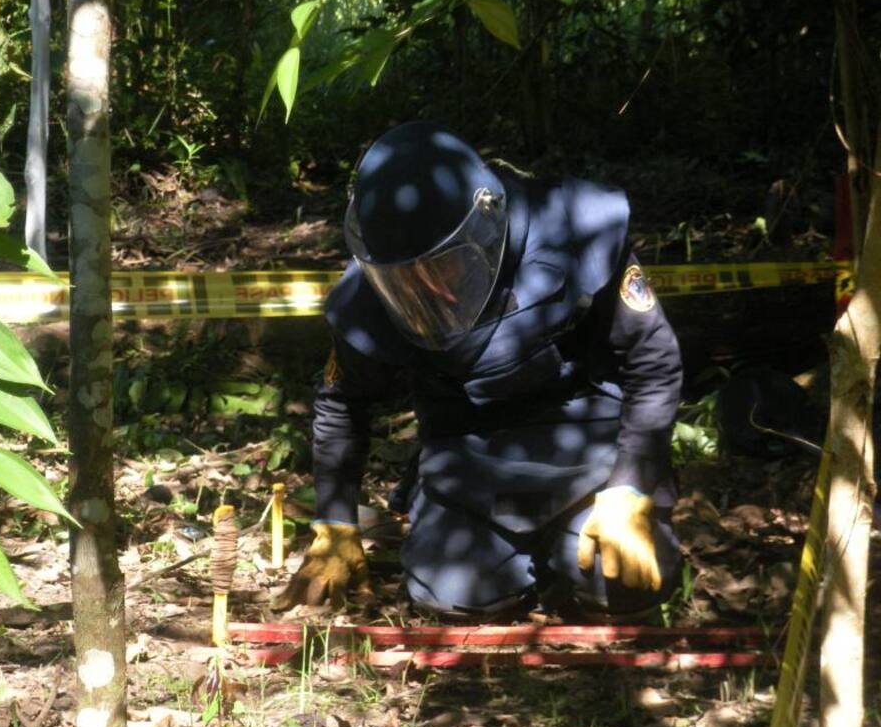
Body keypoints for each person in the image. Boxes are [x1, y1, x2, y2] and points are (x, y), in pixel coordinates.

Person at [275, 121, 684, 620]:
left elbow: (653, 361)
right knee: (453, 598)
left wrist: (632, 485)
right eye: (404, 279)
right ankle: (502, 558)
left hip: (588, 443)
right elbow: (343, 401)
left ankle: (566, 558)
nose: (427, 289)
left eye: (439, 267)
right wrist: (336, 524)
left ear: (483, 225)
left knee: (627, 585)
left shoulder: (570, 230)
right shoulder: (369, 295)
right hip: (466, 459)